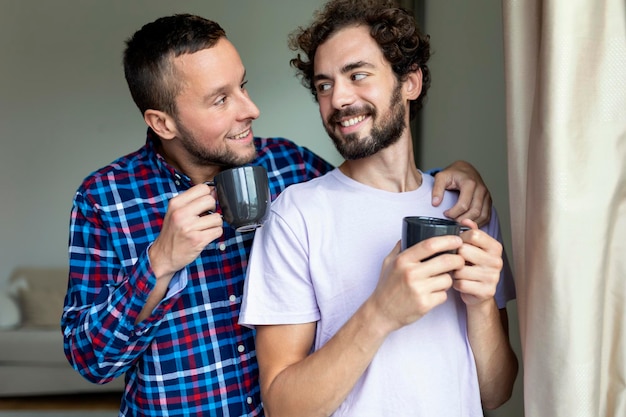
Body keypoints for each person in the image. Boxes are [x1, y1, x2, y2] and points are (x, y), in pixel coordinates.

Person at [61, 13, 496, 417]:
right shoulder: (105, 199)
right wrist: (158, 264)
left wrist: (452, 176)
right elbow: (91, 362)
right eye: (220, 100)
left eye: (243, 87)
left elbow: (368, 191)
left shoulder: (288, 166)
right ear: (163, 123)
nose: (250, 109)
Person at [239, 1, 519, 416]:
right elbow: (283, 407)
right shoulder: (293, 216)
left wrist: (480, 306)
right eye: (324, 85)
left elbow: (496, 392)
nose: (338, 99)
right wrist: (381, 312)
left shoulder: (467, 208)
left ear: (410, 82)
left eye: (357, 75)